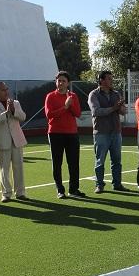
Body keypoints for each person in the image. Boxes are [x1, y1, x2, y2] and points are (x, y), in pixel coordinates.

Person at [45, 71, 85, 199]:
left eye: (63, 81)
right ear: (56, 82)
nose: (60, 83)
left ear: (68, 83)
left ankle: (74, 189)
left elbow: (78, 113)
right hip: (55, 133)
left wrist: (70, 104)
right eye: (58, 80)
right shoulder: (50, 96)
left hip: (72, 133)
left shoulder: (73, 96)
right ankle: (60, 190)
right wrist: (65, 106)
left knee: (73, 163)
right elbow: (49, 115)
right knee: (57, 163)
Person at [0, 81, 28, 202]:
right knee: (4, 169)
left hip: (17, 140)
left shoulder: (15, 103)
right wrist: (6, 113)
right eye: (3, 90)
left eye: (7, 89)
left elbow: (23, 117)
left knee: (19, 167)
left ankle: (20, 193)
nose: (6, 92)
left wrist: (14, 110)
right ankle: (6, 194)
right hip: (2, 141)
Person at [88, 70, 128, 194]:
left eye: (111, 78)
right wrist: (114, 108)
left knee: (117, 160)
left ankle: (117, 184)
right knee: (100, 160)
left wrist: (121, 107)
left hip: (116, 131)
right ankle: (99, 185)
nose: (111, 81)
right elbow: (96, 112)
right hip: (101, 132)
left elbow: (123, 112)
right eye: (109, 79)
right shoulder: (93, 94)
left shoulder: (116, 94)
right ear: (101, 80)